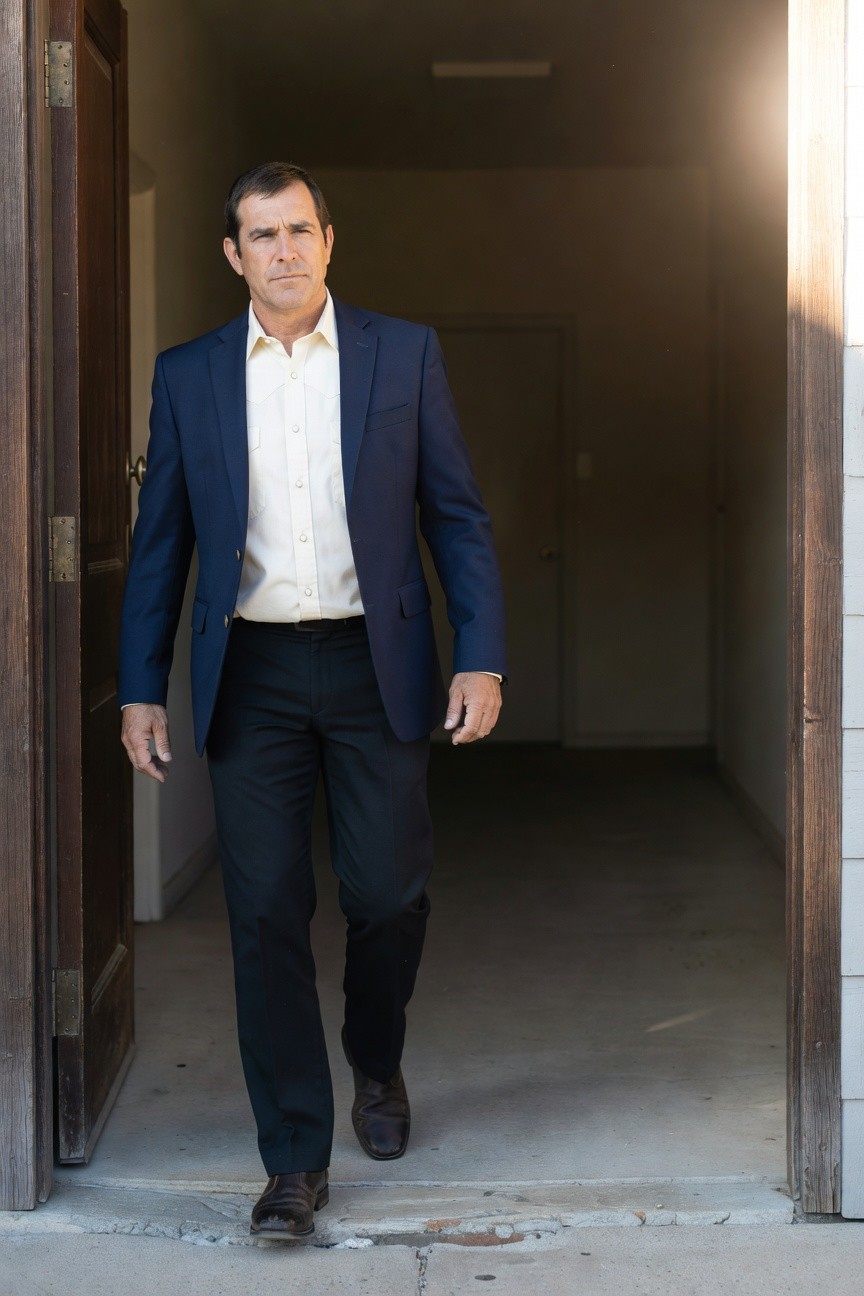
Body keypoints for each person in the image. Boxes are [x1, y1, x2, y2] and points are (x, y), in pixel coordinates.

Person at [119, 161, 507, 1241]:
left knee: (386, 893)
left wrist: (481, 656)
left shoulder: (402, 354)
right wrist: (138, 687)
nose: (283, 250)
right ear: (232, 255)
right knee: (264, 916)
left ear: (328, 242)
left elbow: (457, 518)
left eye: (300, 230)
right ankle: (293, 1159)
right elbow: (162, 549)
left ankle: (374, 1056)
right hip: (251, 676)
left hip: (373, 663)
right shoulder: (190, 374)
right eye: (261, 234)